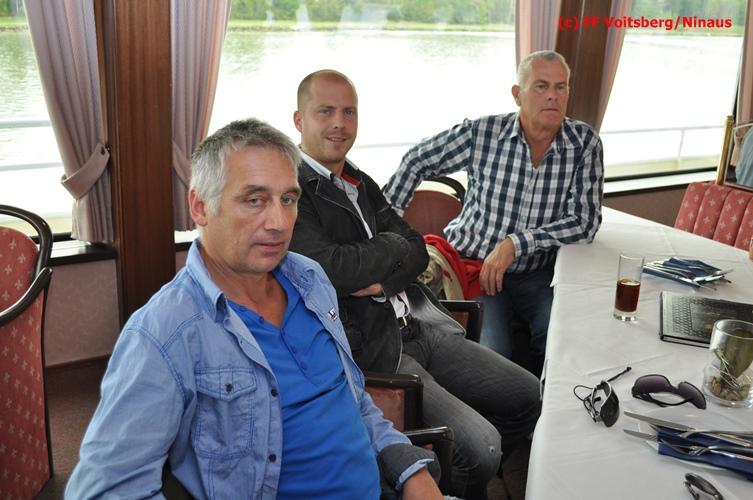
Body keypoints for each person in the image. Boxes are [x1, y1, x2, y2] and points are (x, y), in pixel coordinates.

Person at [65, 118, 444, 499]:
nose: (279, 223)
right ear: (200, 207)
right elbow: (103, 490)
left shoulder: (310, 280)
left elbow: (352, 400)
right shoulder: (165, 332)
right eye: (254, 200)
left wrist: (407, 467)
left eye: (288, 199)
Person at [289, 69, 541, 500]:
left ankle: (457, 472)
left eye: (349, 112)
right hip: (379, 349)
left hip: (419, 323)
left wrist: (381, 278)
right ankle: (459, 473)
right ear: (299, 120)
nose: (340, 124)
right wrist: (390, 249)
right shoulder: (293, 191)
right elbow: (335, 270)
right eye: (325, 112)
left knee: (528, 394)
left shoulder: (357, 179)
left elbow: (418, 251)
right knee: (482, 447)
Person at [383, 50, 604, 369]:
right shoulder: (483, 134)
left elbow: (585, 222)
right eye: (541, 86)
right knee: (494, 353)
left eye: (561, 87)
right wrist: (387, 230)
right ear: (518, 94)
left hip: (537, 270)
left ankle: (548, 400)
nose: (553, 96)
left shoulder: (584, 143)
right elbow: (416, 160)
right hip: (474, 263)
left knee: (562, 342)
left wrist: (515, 244)